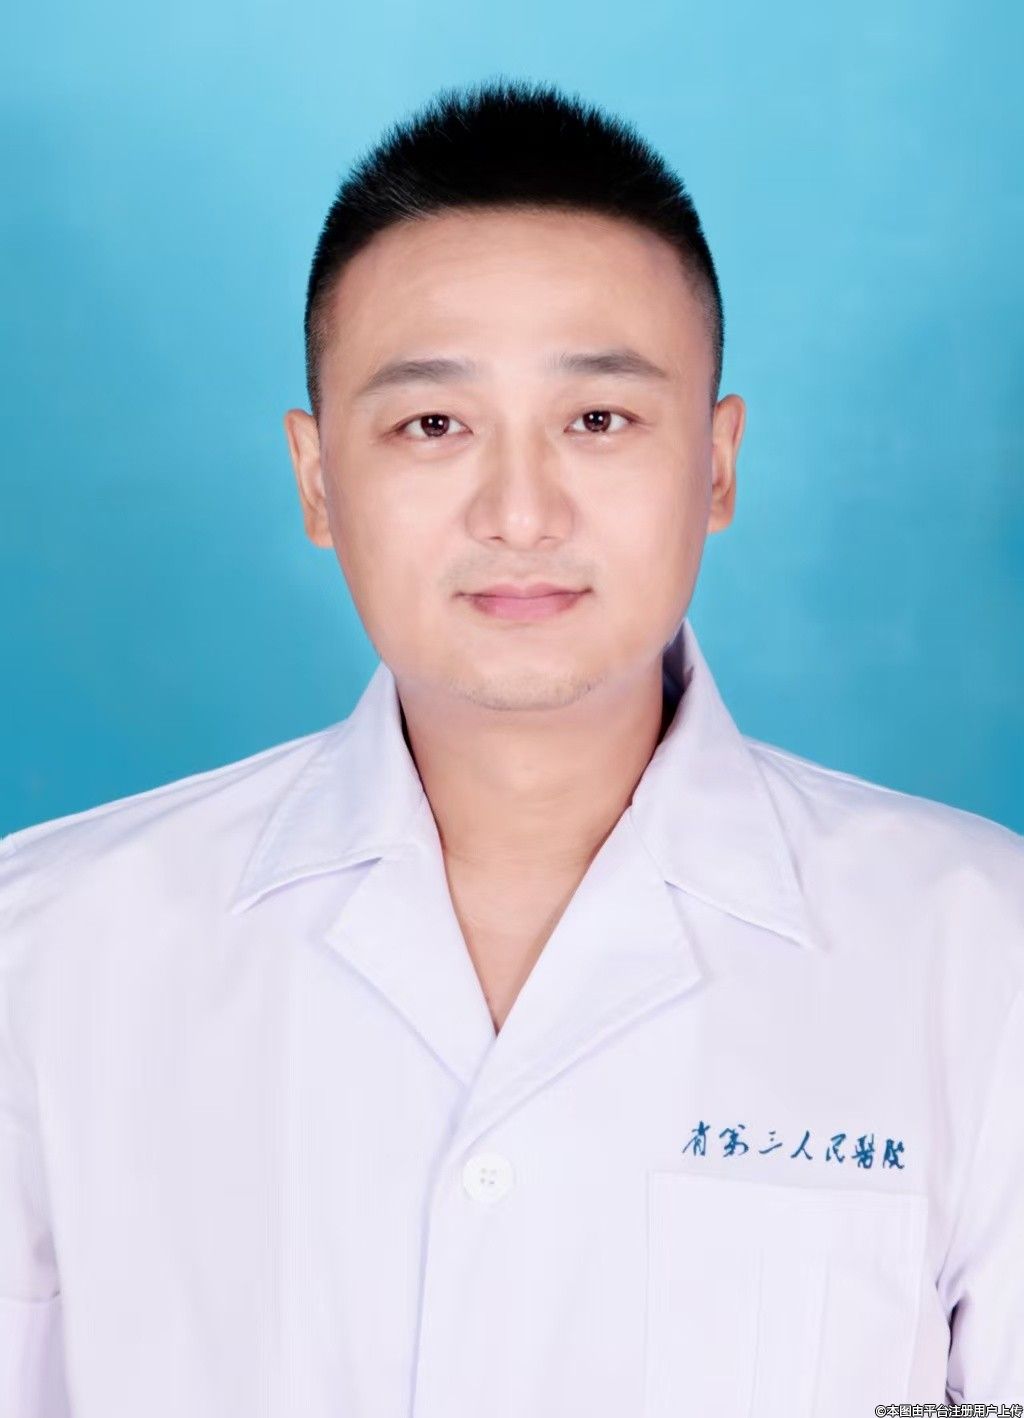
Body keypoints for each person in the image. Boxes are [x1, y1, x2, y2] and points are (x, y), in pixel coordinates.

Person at [1, 76, 1021, 1418]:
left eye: (599, 419)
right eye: (433, 424)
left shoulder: (980, 954)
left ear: (718, 464)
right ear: (317, 479)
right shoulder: (44, 953)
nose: (521, 512)